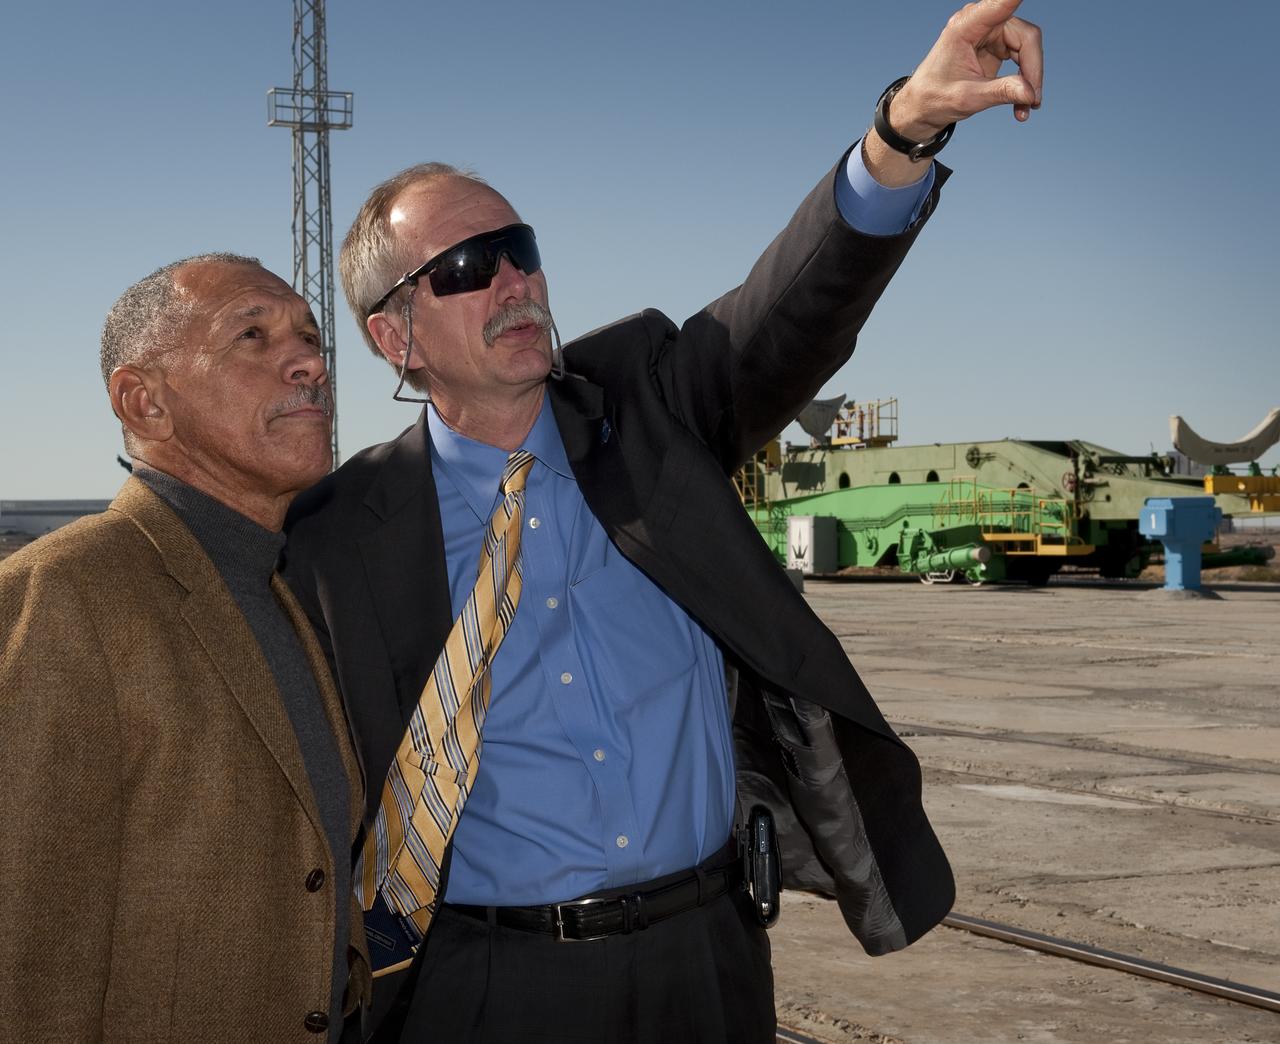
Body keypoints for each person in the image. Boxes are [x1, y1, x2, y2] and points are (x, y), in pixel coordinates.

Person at [283, 2, 1044, 1039]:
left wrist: (902, 131)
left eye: (518, 250)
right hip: (486, 985)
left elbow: (791, 308)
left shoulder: (649, 410)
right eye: (465, 269)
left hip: (707, 957)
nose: (513, 282)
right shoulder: (337, 533)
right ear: (393, 337)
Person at [0, 254, 370, 1043]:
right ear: (144, 402)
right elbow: (25, 951)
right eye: (251, 336)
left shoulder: (275, 590)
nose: (310, 363)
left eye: (309, 337)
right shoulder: (65, 592)